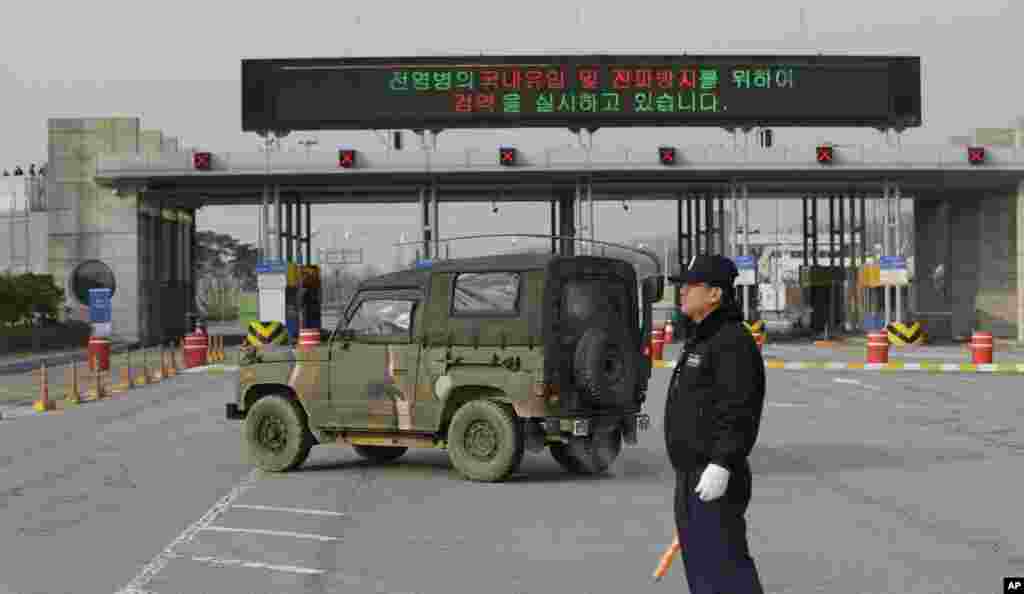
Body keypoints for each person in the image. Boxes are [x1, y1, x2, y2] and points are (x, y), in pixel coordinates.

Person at [663, 254, 766, 593]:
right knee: (703, 572)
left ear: (714, 294)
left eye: (690, 286)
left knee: (727, 570)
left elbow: (739, 407)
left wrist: (723, 462)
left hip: (714, 474)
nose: (682, 293)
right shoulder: (703, 338)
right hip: (692, 475)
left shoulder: (731, 340)